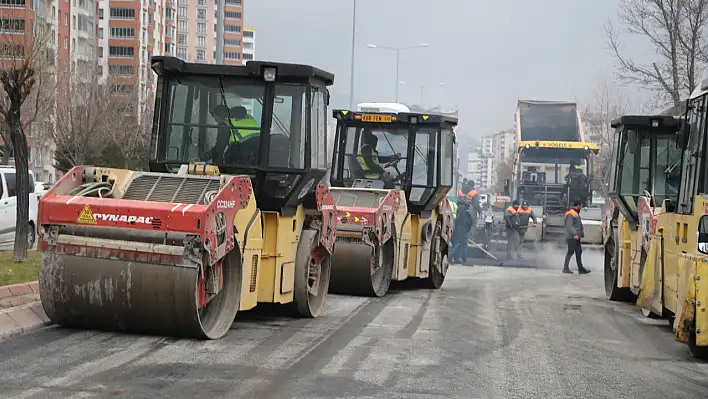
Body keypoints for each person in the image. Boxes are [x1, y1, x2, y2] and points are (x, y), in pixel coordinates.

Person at [563, 201, 591, 274]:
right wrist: (575, 234)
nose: (581, 208)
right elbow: (569, 226)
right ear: (577, 205)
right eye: (580, 206)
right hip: (572, 237)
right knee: (571, 252)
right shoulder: (570, 213)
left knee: (578, 252)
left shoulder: (575, 213)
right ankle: (566, 268)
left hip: (576, 237)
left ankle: (580, 269)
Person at [450, 194, 475, 264]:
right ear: (464, 200)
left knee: (461, 244)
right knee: (462, 244)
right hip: (461, 228)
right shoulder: (462, 208)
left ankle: (456, 258)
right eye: (468, 199)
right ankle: (460, 258)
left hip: (464, 229)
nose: (470, 201)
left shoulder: (467, 207)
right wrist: (464, 228)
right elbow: (460, 219)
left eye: (470, 200)